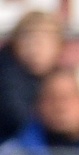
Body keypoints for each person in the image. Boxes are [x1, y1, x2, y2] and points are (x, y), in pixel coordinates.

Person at [0, 12, 63, 146]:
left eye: (44, 41)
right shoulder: (6, 73)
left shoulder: (61, 76)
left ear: (59, 45)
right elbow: (19, 119)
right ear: (16, 44)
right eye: (29, 40)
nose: (36, 48)